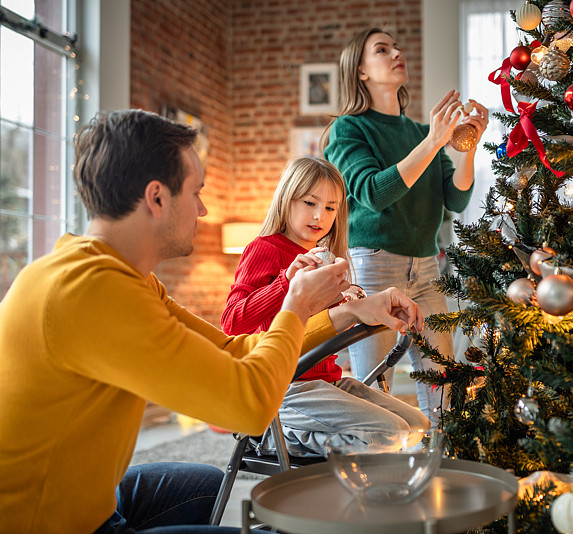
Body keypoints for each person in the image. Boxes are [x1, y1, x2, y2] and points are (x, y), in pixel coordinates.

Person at [0, 109, 423, 534]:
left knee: (211, 487)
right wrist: (294, 302)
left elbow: (231, 348)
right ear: (157, 197)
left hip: (96, 499)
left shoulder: (128, 279)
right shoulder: (93, 292)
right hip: (52, 525)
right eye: (196, 191)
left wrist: (347, 311)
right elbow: (247, 406)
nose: (203, 209)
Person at [322, 28, 489, 425]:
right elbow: (373, 193)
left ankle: (439, 464)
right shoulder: (349, 129)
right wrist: (434, 142)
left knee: (444, 381)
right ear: (360, 71)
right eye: (382, 49)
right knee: (373, 388)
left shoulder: (418, 133)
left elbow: (456, 198)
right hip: (374, 266)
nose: (397, 52)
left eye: (396, 46)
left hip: (428, 268)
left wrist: (467, 145)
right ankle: (377, 472)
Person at [221, 156, 430, 456]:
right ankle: (272, 436)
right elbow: (231, 321)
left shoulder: (327, 258)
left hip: (327, 380)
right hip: (285, 387)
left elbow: (323, 328)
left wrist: (354, 303)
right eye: (310, 203)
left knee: (416, 425)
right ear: (287, 199)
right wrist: (286, 282)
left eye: (330, 207)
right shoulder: (265, 248)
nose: (320, 215)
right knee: (389, 434)